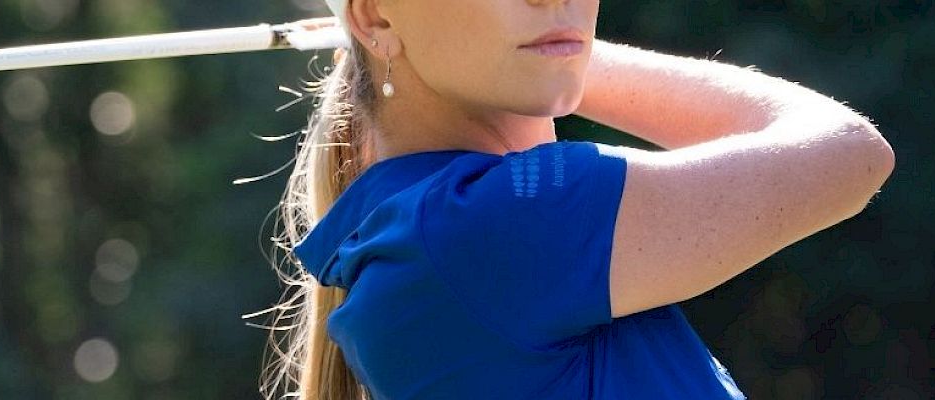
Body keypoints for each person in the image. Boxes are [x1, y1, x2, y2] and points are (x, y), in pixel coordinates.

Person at [259, 0, 895, 398]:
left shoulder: (420, 228)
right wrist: (569, 53)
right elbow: (849, 155)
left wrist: (555, 51)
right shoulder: (491, 224)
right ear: (377, 17)